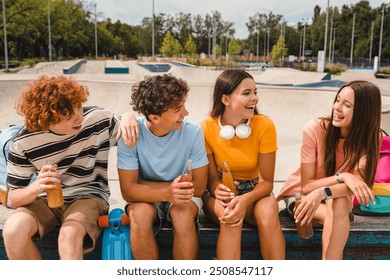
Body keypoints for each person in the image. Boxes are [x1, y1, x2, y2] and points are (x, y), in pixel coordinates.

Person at [2, 75, 138, 260]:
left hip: (88, 195)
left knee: (69, 235)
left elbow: (134, 124)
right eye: (68, 115)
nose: (79, 117)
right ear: (46, 119)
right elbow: (13, 198)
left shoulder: (97, 120)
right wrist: (37, 186)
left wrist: (129, 116)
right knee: (12, 231)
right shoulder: (23, 142)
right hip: (44, 200)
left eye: (79, 107)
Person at [277, 80, 382, 260]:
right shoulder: (315, 129)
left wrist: (323, 193)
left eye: (347, 105)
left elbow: (356, 186)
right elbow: (307, 185)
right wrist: (344, 176)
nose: (337, 108)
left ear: (363, 112)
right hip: (300, 198)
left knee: (339, 204)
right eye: (338, 100)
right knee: (338, 209)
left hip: (335, 201)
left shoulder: (372, 138)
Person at [117, 74, 208, 260]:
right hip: (149, 199)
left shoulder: (193, 132)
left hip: (182, 198)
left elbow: (199, 187)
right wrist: (168, 191)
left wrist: (148, 187)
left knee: (182, 214)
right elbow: (128, 191)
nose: (186, 113)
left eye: (183, 105)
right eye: (177, 109)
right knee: (139, 213)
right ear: (154, 118)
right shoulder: (131, 135)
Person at [201, 69, 285, 260]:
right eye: (246, 93)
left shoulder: (265, 125)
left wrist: (245, 199)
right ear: (225, 99)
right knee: (231, 216)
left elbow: (267, 183)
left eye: (255, 92)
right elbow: (212, 180)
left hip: (255, 192)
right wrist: (219, 189)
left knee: (268, 211)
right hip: (220, 196)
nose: (254, 98)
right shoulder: (207, 127)